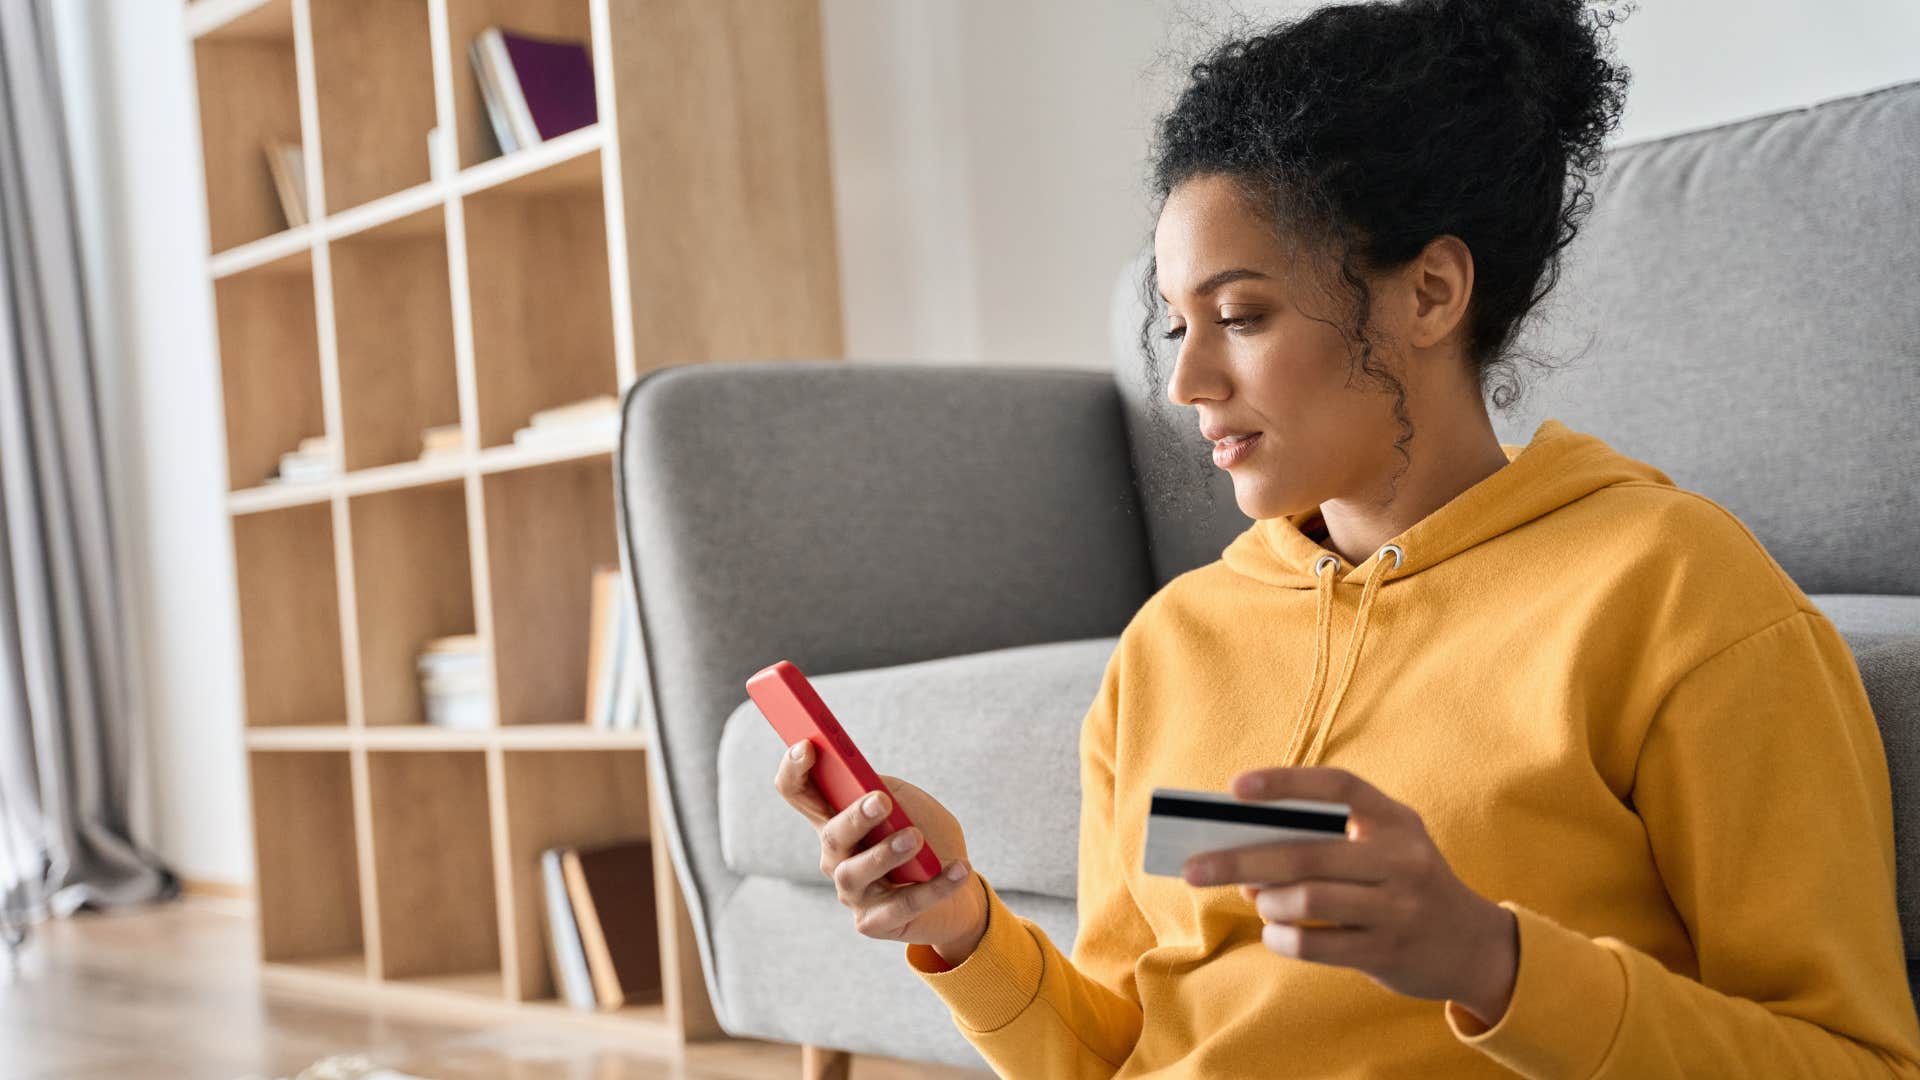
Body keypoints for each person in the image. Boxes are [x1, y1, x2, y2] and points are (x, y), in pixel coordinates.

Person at [773, 0, 1920, 1074]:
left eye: (1240, 316)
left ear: (1429, 293)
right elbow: (1124, 1049)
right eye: (1176, 324)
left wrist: (1494, 964)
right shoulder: (1171, 647)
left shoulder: (1678, 596)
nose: (1185, 379)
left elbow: (1851, 1058)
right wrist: (964, 927)